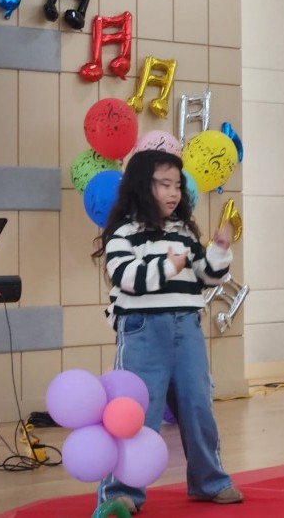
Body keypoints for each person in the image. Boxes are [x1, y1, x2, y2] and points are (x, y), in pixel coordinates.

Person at [92, 149, 243, 514]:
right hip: (143, 329)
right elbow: (127, 278)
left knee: (197, 405)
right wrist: (167, 266)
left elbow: (207, 276)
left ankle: (210, 480)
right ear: (143, 187)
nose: (174, 193)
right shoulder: (123, 233)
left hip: (186, 326)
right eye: (164, 184)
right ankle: (121, 490)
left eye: (177, 185)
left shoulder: (183, 232)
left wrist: (219, 251)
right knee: (137, 412)